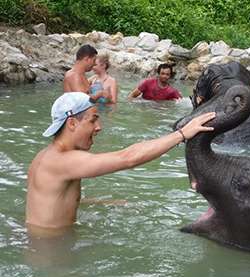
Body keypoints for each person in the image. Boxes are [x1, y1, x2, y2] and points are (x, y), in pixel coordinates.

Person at [25, 92, 215, 231]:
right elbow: (128, 158)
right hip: (52, 252)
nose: (99, 127)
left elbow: (54, 201)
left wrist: (104, 203)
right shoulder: (63, 161)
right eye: (93, 120)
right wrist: (182, 134)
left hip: (43, 242)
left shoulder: (44, 156)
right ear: (72, 123)